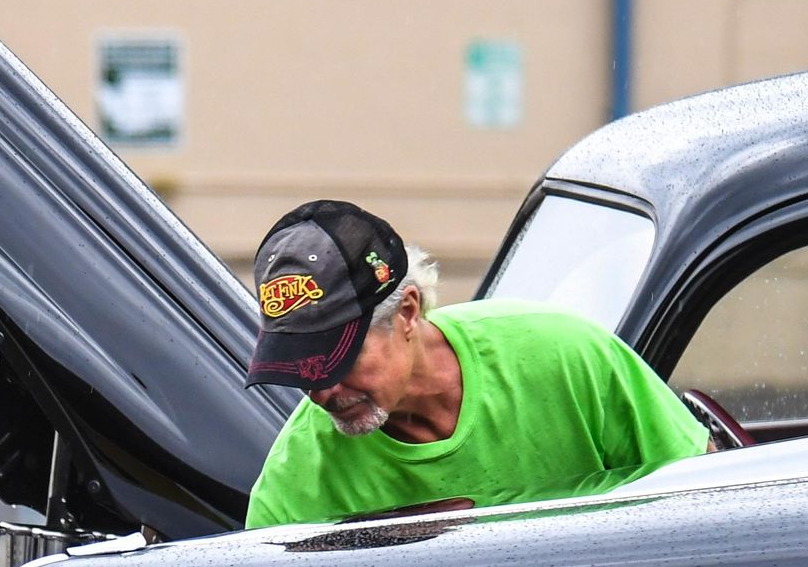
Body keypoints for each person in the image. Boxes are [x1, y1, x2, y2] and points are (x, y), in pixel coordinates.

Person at [242, 199, 708, 528]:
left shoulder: (563, 356)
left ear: (407, 312)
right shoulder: (295, 482)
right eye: (300, 367)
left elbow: (714, 497)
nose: (322, 392)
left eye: (337, 360)